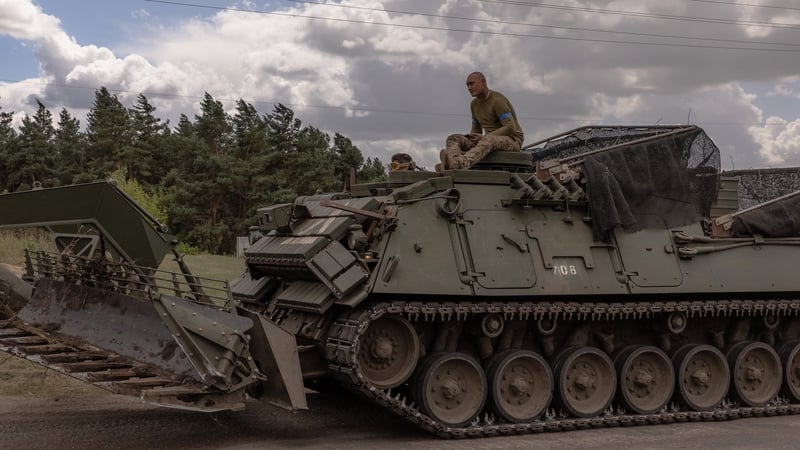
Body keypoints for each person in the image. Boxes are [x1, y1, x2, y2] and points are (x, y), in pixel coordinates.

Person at [437, 72, 524, 171]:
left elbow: (510, 128)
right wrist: (471, 138)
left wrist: (485, 137)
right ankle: (452, 162)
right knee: (453, 138)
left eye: (472, 83)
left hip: (512, 140)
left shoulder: (497, 101)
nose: (469, 88)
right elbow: (476, 130)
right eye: (467, 85)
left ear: (483, 82)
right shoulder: (474, 104)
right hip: (488, 140)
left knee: (489, 140)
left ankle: (461, 163)